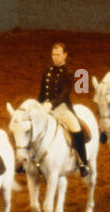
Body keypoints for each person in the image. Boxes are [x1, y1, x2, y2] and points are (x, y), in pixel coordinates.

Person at [38, 41, 90, 175]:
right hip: (46, 107)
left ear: (65, 56)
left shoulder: (68, 73)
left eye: (58, 55)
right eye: (53, 54)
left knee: (76, 129)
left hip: (62, 108)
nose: (55, 57)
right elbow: (42, 92)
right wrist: (39, 105)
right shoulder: (47, 71)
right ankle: (27, 161)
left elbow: (64, 94)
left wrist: (52, 104)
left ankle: (83, 163)